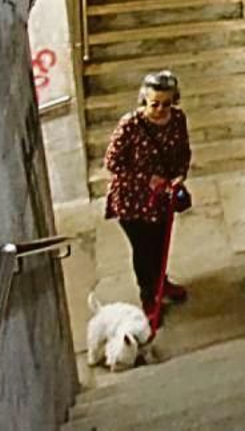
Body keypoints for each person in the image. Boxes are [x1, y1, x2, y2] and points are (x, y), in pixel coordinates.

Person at [103, 70, 192, 322]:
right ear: (145, 100)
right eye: (155, 104)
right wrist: (146, 178)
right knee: (144, 250)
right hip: (132, 201)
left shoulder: (177, 120)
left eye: (167, 103)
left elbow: (183, 151)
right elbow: (112, 162)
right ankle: (148, 294)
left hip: (162, 198)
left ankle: (161, 282)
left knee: (160, 244)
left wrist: (179, 175)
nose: (161, 109)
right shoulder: (130, 125)